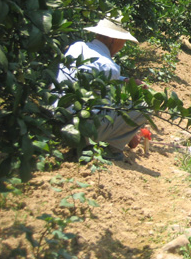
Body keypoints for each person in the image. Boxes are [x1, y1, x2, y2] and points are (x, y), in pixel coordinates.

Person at [56, 18, 145, 160]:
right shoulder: (110, 66)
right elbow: (109, 110)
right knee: (145, 105)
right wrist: (128, 134)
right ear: (113, 40)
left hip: (59, 120)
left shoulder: (77, 47)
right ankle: (112, 149)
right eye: (123, 41)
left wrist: (125, 80)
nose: (122, 46)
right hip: (82, 129)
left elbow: (93, 73)